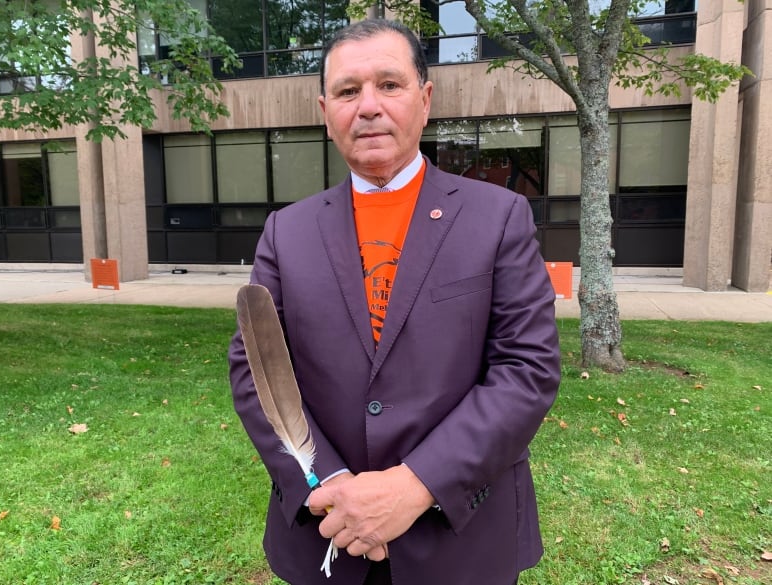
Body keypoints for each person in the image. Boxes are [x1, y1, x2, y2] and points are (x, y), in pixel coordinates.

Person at [228, 18, 560, 585]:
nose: (369, 107)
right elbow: (255, 368)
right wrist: (327, 484)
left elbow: (526, 369)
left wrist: (414, 485)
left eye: (389, 84)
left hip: (458, 535)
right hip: (326, 534)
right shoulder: (287, 231)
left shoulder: (498, 217)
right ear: (325, 109)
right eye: (348, 91)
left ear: (425, 99)